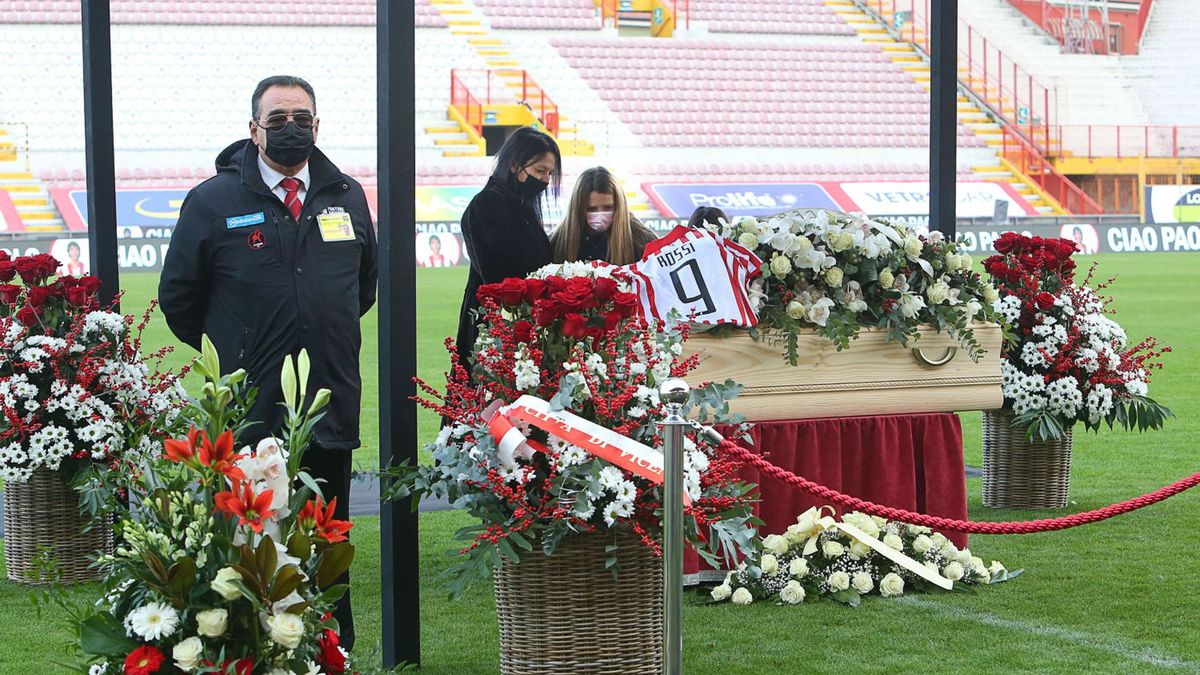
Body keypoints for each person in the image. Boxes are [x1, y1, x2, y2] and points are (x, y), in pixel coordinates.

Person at [158, 75, 377, 651]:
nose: (290, 127)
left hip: (326, 398)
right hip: (252, 405)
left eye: (301, 117)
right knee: (251, 542)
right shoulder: (212, 201)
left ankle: (332, 650)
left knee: (326, 540)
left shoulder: (347, 195)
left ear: (317, 126)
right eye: (277, 118)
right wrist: (237, 351)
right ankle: (253, 651)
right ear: (253, 129)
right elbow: (179, 299)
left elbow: (364, 286)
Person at [455, 127, 561, 371]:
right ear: (514, 165)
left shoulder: (520, 207)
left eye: (550, 173)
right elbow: (498, 279)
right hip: (496, 325)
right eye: (540, 171)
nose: (546, 180)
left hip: (519, 322)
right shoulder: (488, 205)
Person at [550, 166, 656, 266]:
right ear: (578, 209)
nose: (600, 215)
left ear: (619, 206)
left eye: (608, 207)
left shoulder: (642, 241)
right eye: (591, 209)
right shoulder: (557, 241)